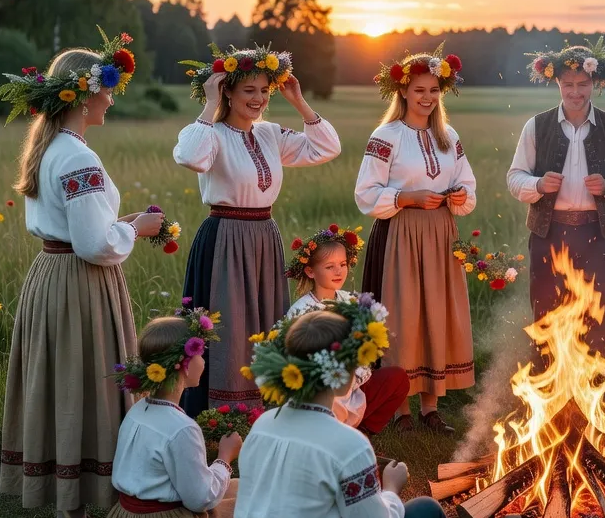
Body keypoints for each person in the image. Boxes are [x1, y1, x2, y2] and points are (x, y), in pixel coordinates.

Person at [0, 29, 160, 518]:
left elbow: (77, 230)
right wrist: (138, 231)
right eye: (108, 87)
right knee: (81, 384)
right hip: (79, 284)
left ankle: (73, 512)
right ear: (85, 94)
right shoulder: (78, 159)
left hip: (53, 275)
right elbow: (93, 244)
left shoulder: (55, 149)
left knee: (67, 384)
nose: (112, 97)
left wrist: (122, 223)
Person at [225, 301, 446, 518]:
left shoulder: (262, 426)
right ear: (341, 372)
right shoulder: (349, 444)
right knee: (428, 512)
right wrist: (391, 492)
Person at [173, 46, 342, 416]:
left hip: (264, 235)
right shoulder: (212, 133)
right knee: (229, 325)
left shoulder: (269, 134)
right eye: (249, 90)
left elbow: (327, 148)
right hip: (226, 237)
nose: (259, 98)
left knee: (265, 321)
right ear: (228, 92)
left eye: (264, 90)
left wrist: (299, 102)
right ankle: (223, 410)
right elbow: (189, 156)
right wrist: (208, 102)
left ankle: (264, 407)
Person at [356, 47, 475, 433]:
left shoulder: (448, 135)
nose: (427, 98)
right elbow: (365, 193)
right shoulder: (385, 135)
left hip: (440, 233)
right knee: (402, 316)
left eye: (434, 90)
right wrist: (405, 198)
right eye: (419, 90)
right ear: (403, 92)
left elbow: (467, 182)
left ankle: (430, 407)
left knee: (434, 314)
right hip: (400, 233)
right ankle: (400, 409)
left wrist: (459, 195)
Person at [507, 38, 605, 355]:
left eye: (583, 84)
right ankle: (547, 395)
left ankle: (595, 396)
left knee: (597, 317)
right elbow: (514, 177)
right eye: (568, 84)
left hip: (597, 234)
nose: (576, 92)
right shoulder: (536, 126)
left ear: (593, 82)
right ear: (557, 83)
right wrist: (539, 185)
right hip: (548, 234)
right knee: (546, 317)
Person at [105, 308, 246, 518]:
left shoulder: (138, 410)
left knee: (244, 486)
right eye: (201, 354)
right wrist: (225, 458)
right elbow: (199, 499)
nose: (204, 362)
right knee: (259, 509)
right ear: (184, 363)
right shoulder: (182, 428)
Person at [283, 224, 410, 435]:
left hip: (354, 383)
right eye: (329, 266)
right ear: (310, 271)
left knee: (397, 378)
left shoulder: (350, 301)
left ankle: (364, 432)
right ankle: (329, 433)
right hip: (321, 392)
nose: (338, 271)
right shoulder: (302, 311)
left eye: (342, 264)